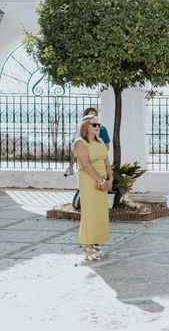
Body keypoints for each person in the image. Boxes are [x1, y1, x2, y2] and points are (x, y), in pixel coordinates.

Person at [74, 114, 112, 261]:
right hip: (89, 181)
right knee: (90, 213)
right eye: (94, 125)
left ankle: (96, 245)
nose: (98, 127)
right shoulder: (80, 143)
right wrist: (101, 180)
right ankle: (88, 248)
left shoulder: (101, 141)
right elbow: (86, 165)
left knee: (99, 213)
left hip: (102, 181)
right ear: (86, 127)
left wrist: (110, 178)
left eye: (98, 124)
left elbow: (106, 161)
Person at [65, 106, 111, 177]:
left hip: (99, 166)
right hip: (85, 168)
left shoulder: (102, 129)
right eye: (90, 116)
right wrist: (71, 165)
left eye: (95, 116)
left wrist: (93, 151)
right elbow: (75, 151)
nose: (93, 118)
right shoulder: (79, 131)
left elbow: (107, 148)